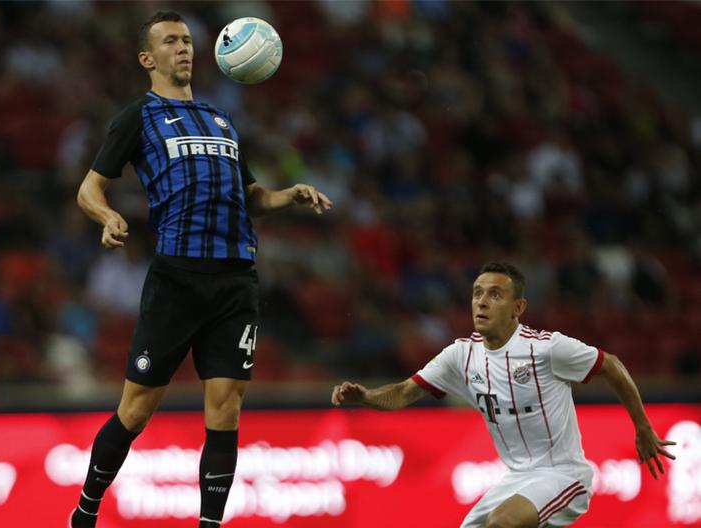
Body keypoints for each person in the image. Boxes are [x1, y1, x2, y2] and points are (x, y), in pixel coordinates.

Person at [70, 10, 332, 528]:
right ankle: (85, 510)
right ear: (148, 58)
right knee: (136, 411)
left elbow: (251, 195)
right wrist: (107, 216)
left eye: (187, 40)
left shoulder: (221, 120)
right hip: (176, 278)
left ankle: (209, 524)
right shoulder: (137, 117)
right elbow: (89, 188)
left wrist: (287, 197)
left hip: (236, 280)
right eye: (170, 41)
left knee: (226, 411)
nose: (184, 48)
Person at [331, 262, 676, 528]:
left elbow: (611, 365)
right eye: (477, 293)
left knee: (502, 523)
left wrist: (642, 427)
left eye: (495, 294)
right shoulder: (460, 355)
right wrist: (365, 397)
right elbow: (403, 393)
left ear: (518, 307)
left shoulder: (547, 349)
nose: (482, 301)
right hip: (516, 478)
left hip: (563, 474)